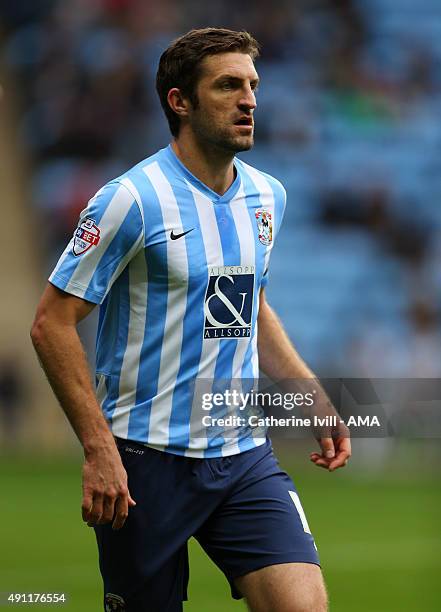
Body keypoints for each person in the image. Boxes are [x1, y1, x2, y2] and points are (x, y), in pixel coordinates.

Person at [31, 27, 351, 612]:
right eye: (228, 86)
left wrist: (310, 395)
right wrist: (98, 448)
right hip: (144, 462)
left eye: (253, 85)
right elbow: (52, 322)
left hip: (241, 454)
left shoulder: (267, 196)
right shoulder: (131, 199)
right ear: (181, 102)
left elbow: (248, 301)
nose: (249, 99)